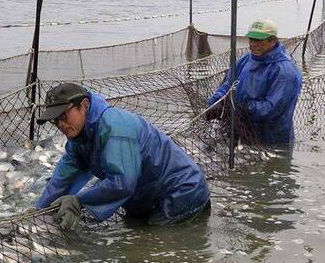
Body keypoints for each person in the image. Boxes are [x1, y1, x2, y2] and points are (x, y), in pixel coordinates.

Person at [34, 82, 210, 230]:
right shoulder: (78, 139)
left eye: (63, 116)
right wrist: (38, 211)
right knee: (135, 236)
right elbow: (63, 178)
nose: (60, 124)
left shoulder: (114, 128)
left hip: (182, 191)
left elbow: (122, 183)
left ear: (85, 105)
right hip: (146, 196)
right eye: (54, 120)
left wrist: (78, 201)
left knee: (151, 246)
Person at [206, 18, 302, 145]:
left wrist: (238, 107)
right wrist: (217, 102)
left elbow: (271, 110)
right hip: (241, 131)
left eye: (259, 40)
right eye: (251, 39)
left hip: (270, 140)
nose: (253, 44)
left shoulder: (285, 72)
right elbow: (229, 84)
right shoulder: (247, 59)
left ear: (273, 41)